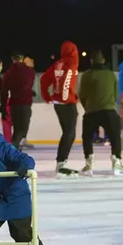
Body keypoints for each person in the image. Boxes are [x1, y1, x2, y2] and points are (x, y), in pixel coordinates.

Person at [79, 51, 123, 176]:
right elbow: (116, 94)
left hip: (91, 111)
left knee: (87, 137)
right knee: (115, 136)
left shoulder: (86, 75)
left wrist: (87, 107)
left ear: (91, 60)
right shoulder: (110, 75)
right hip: (109, 110)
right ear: (103, 61)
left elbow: (82, 95)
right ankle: (116, 162)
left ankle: (89, 164)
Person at [40, 41, 80, 177]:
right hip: (66, 102)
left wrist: (47, 97)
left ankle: (61, 162)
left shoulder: (57, 64)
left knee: (67, 133)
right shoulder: (71, 63)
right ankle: (61, 163)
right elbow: (66, 80)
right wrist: (66, 98)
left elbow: (44, 80)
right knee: (70, 133)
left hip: (59, 102)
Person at [0, 52, 35, 148]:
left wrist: (3, 106)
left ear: (13, 59)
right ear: (22, 58)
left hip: (14, 104)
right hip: (25, 104)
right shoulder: (29, 71)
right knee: (22, 130)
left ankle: (15, 150)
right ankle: (13, 149)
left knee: (17, 130)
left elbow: (4, 91)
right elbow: (27, 86)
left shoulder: (8, 73)